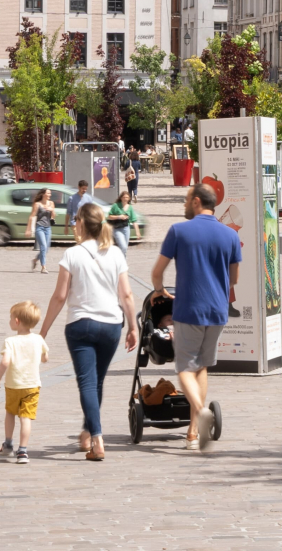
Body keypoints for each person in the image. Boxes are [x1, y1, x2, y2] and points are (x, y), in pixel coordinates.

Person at [37, 204, 136, 461]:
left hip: (80, 325)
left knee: (88, 382)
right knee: (96, 381)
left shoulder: (72, 254)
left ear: (81, 223)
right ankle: (86, 431)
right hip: (112, 325)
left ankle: (97, 439)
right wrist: (133, 326)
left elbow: (60, 297)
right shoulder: (115, 253)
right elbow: (126, 294)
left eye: (76, 220)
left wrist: (43, 331)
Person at [151, 185, 242, 450]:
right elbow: (234, 278)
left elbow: (158, 272)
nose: (184, 203)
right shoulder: (230, 235)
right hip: (217, 311)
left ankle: (201, 411)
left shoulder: (179, 231)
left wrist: (160, 291)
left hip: (189, 309)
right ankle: (192, 433)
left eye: (186, 199)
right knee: (202, 366)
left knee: (184, 368)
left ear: (197, 202)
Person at [0, 301, 50, 465]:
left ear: (17, 321)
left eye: (10, 318)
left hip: (13, 385)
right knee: (26, 417)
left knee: (10, 413)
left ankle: (8, 443)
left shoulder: (10, 341)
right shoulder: (38, 339)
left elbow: (5, 362)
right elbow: (45, 358)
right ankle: (23, 451)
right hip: (32, 385)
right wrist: (41, 357)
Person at [28, 189, 56, 273]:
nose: (49, 194)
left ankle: (35, 260)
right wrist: (28, 229)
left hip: (48, 228)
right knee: (43, 246)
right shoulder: (37, 204)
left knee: (46, 249)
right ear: (43, 194)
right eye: (48, 193)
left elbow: (53, 216)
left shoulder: (51, 203)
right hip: (39, 227)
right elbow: (31, 216)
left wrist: (51, 210)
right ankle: (43, 267)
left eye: (50, 193)